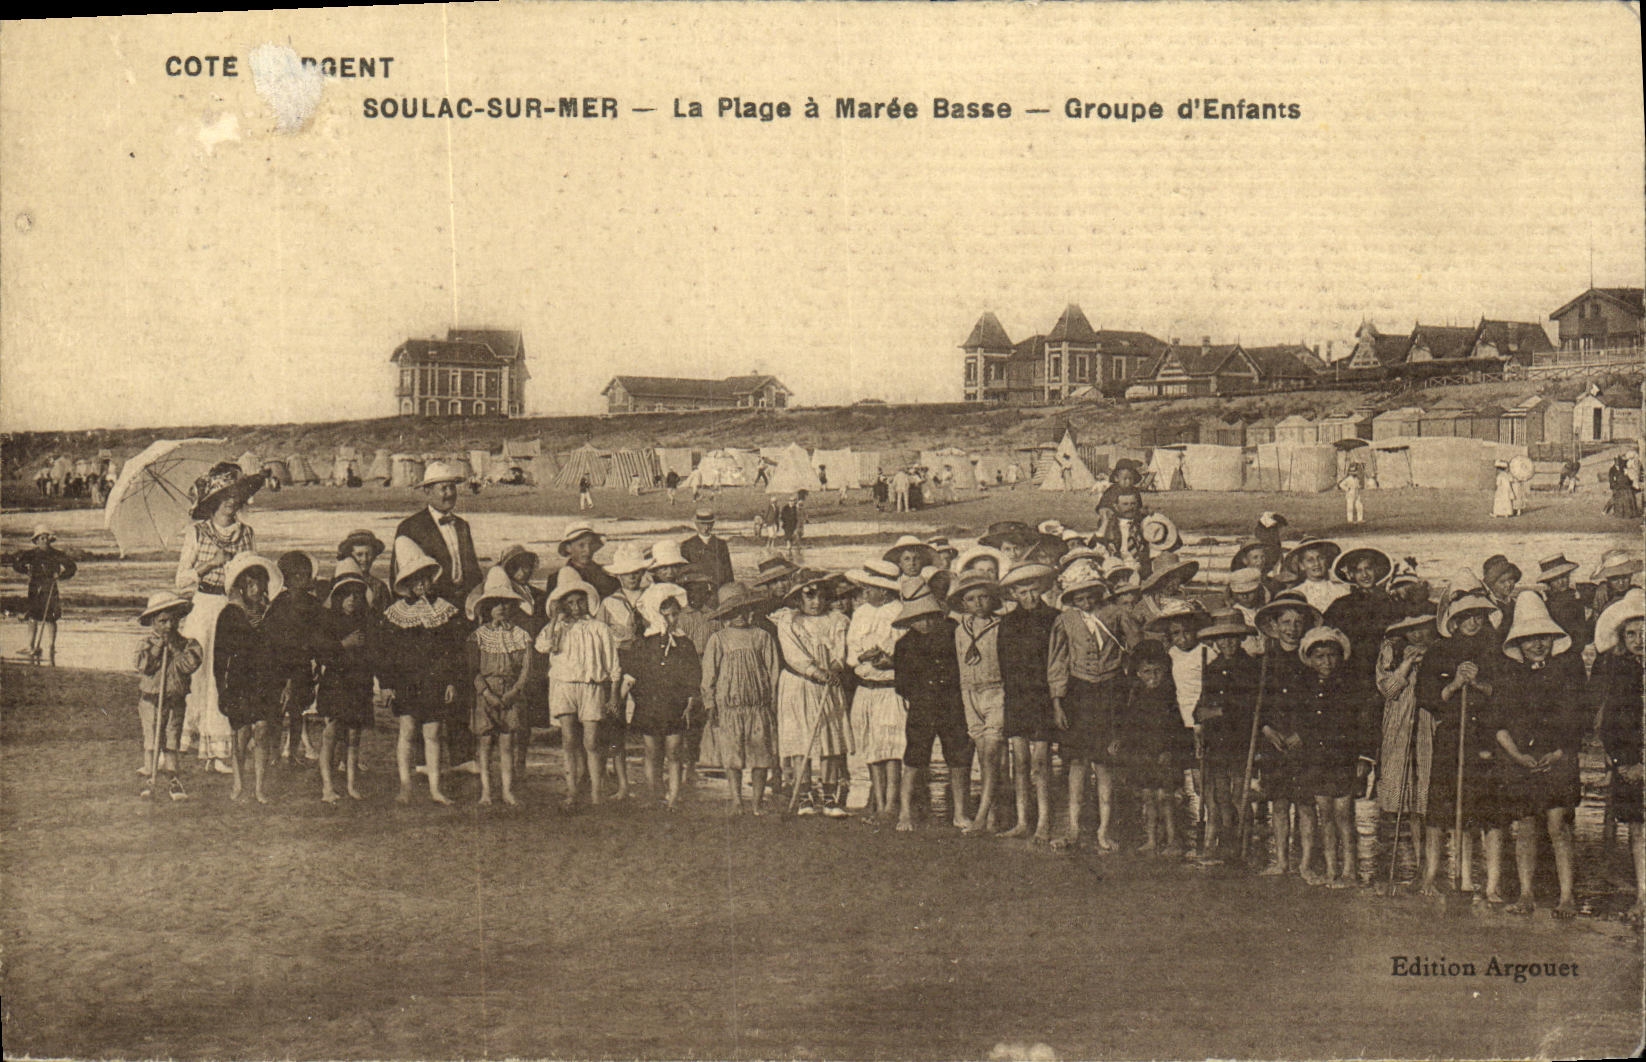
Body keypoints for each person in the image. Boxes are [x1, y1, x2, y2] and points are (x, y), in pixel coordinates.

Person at [1493, 591, 1587, 917]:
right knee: (1526, 826)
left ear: (1552, 638)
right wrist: (1517, 756)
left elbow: (1579, 722)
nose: (1537, 645)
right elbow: (1497, 725)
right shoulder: (1508, 676)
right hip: (1520, 762)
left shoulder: (1567, 672)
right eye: (1529, 639)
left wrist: (1559, 753)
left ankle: (1566, 897)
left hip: (1558, 761)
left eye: (1543, 638)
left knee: (1558, 825)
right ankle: (1526, 894)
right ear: (1518, 642)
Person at [176, 462, 264, 774]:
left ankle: (219, 750)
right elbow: (181, 580)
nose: (230, 499)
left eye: (235, 494)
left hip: (231, 608)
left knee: (225, 673)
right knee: (199, 672)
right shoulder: (197, 532)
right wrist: (208, 565)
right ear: (213, 499)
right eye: (224, 494)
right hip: (202, 606)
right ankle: (196, 740)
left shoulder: (247, 533)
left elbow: (254, 575)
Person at [1415, 592, 1502, 899]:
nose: (1473, 622)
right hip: (1450, 735)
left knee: (1482, 809)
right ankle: (1431, 875)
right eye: (1466, 617)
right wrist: (1453, 683)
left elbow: (1503, 694)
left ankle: (1481, 883)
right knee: (1440, 809)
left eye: (1479, 616)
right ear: (1454, 621)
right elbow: (1424, 696)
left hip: (1483, 737)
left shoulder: (1493, 649)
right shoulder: (1439, 651)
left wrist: (1477, 682)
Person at [1048, 557, 1128, 852]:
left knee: (1105, 762)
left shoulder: (1116, 614)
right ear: (1070, 598)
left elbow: (1136, 645)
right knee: (1077, 763)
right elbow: (1057, 663)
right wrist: (1057, 703)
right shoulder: (1065, 621)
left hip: (1110, 691)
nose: (1084, 601)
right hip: (1078, 694)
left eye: (1088, 595)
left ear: (1098, 593)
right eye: (1077, 597)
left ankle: (1104, 831)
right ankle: (1072, 828)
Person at [383, 538, 467, 806]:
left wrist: (452, 682)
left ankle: (435, 788)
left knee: (433, 733)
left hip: (436, 681)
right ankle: (405, 786)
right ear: (406, 583)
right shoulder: (395, 615)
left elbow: (454, 650)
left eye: (425, 579)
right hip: (406, 682)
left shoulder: (444, 611)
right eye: (415, 580)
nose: (421, 585)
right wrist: (388, 684)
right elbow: (387, 655)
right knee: (407, 730)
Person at [1289, 627, 1374, 887]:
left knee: (1343, 816)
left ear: (1340, 657)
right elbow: (1302, 721)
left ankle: (1349, 871)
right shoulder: (1305, 687)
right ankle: (1330, 869)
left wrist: (1363, 757)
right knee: (1324, 815)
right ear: (1310, 659)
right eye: (1319, 657)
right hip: (1316, 760)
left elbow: (1364, 724)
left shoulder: (1351, 687)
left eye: (1331, 656)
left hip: (1343, 759)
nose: (1326, 662)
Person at [1251, 591, 1321, 877]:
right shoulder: (1265, 660)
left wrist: (1302, 733)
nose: (1292, 628)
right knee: (1279, 802)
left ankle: (1305, 863)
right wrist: (1266, 730)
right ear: (1274, 625)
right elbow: (1257, 703)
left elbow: (1319, 703)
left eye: (1297, 622)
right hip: (1274, 741)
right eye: (1286, 622)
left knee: (1305, 804)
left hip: (1303, 742)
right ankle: (1280, 861)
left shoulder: (1312, 659)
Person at [772, 571, 852, 817]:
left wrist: (836, 666)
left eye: (820, 597)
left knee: (830, 737)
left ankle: (829, 796)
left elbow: (841, 649)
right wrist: (815, 671)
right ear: (798, 600)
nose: (815, 603)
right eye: (809, 598)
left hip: (829, 683)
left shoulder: (837, 620)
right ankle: (804, 794)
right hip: (799, 684)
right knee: (800, 738)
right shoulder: (789, 622)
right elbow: (793, 655)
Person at [537, 575, 620, 807]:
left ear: (587, 601)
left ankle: (596, 792)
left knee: (592, 741)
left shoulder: (599, 628)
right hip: (564, 686)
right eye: (570, 602)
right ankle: (572, 790)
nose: (575, 607)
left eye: (579, 601)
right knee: (568, 739)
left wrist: (613, 693)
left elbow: (612, 664)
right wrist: (555, 620)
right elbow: (543, 647)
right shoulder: (557, 628)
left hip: (591, 687)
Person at [699, 583, 781, 815]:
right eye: (737, 612)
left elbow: (773, 671)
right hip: (729, 707)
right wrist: (709, 703)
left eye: (747, 611)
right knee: (732, 755)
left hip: (758, 706)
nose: (744, 616)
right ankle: (736, 799)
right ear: (726, 615)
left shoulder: (762, 637)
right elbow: (709, 675)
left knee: (760, 755)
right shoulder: (719, 639)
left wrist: (773, 700)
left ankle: (756, 802)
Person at [892, 595, 973, 831]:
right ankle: (905, 813)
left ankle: (960, 812)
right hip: (922, 707)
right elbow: (901, 684)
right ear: (909, 620)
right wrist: (919, 693)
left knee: (958, 759)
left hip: (952, 706)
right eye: (918, 619)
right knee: (914, 759)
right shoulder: (904, 645)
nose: (925, 623)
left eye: (930, 617)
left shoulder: (952, 635)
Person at [1373, 611, 1439, 889]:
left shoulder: (1438, 655)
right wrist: (1406, 665)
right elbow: (1388, 690)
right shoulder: (1391, 654)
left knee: (1425, 803)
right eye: (1411, 630)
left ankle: (1429, 871)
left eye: (1423, 629)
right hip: (1399, 729)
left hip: (1428, 730)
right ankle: (1412, 866)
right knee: (1404, 801)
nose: (1418, 635)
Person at [622, 583, 702, 809]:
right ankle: (654, 794)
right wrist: (619, 698)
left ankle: (674, 797)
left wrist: (690, 699)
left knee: (674, 750)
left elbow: (693, 674)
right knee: (651, 751)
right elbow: (632, 674)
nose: (671, 620)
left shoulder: (684, 644)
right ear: (654, 615)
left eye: (675, 615)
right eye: (665, 615)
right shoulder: (645, 644)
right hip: (649, 703)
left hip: (674, 703)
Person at [213, 553, 284, 804]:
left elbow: (280, 652)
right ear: (242, 586)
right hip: (239, 683)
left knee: (263, 731)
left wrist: (282, 682)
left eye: (260, 583)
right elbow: (219, 659)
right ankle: (239, 783)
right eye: (251, 584)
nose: (256, 589)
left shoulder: (269, 614)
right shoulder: (230, 614)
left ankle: (259, 788)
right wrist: (222, 689)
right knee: (241, 734)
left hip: (266, 682)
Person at [1593, 589, 1644, 924]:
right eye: (1632, 634)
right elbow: (1611, 723)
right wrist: (1624, 763)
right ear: (1622, 638)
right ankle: (1643, 896)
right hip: (1632, 767)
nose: (1640, 640)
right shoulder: (1621, 673)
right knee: (1639, 831)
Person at [1193, 609, 1259, 861]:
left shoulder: (1251, 668)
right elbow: (1201, 705)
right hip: (1216, 741)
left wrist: (1217, 710)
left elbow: (1247, 706)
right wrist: (1200, 714)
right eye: (1222, 638)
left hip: (1241, 740)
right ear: (1215, 641)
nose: (1228, 643)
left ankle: (1244, 842)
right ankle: (1228, 838)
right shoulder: (1211, 668)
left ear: (1241, 638)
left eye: (1233, 637)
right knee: (1220, 793)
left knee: (1240, 794)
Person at [999, 564, 1059, 842]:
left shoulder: (1055, 619)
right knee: (1020, 761)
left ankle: (1044, 822)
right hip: (1017, 697)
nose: (1030, 597)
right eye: (1023, 592)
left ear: (1042, 589)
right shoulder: (1008, 622)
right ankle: (1023, 821)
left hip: (1044, 698)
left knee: (1041, 762)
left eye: (1034, 591)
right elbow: (1004, 664)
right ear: (1013, 594)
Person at [845, 562, 908, 824]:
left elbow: (905, 653)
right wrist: (863, 656)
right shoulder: (860, 613)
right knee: (869, 745)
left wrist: (889, 660)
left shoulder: (901, 613)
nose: (864, 592)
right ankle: (878, 801)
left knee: (892, 746)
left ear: (884, 591)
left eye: (869, 588)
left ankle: (891, 804)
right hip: (865, 688)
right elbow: (852, 654)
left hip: (889, 690)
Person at [467, 567, 534, 807]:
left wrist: (513, 692)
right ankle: (486, 791)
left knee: (507, 743)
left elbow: (526, 669)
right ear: (487, 607)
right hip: (485, 694)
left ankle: (507, 791)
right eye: (496, 604)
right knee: (484, 743)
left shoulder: (521, 635)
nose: (501, 608)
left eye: (506, 603)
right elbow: (473, 670)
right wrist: (486, 693)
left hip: (511, 693)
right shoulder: (478, 636)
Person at [315, 568, 383, 804]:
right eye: (347, 595)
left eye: (356, 595)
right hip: (335, 684)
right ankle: (327, 787)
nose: (352, 599)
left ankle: (352, 785)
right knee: (331, 734)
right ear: (338, 597)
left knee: (354, 736)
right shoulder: (328, 621)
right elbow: (323, 655)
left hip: (359, 684)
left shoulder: (367, 622)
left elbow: (375, 654)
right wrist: (344, 644)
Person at [1116, 639, 1187, 855]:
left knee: (1165, 797)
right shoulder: (1136, 697)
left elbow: (1176, 728)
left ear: (1165, 670)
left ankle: (1173, 840)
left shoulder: (1170, 697)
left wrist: (1169, 750)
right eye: (1147, 672)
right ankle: (1151, 839)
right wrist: (1124, 742)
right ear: (1138, 673)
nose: (1153, 677)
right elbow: (1130, 725)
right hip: (1144, 755)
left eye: (1157, 671)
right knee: (1148, 796)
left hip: (1164, 755)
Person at [949, 570, 1007, 834]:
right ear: (963, 603)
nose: (978, 603)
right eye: (971, 599)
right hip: (968, 692)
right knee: (983, 755)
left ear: (993, 599)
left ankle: (982, 816)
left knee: (992, 752)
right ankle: (992, 814)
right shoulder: (960, 628)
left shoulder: (1002, 626)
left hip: (995, 691)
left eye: (984, 597)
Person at [261, 551, 329, 767]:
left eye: (307, 575)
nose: (309, 579)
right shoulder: (279, 604)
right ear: (291, 578)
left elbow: (319, 636)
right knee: (277, 711)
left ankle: (291, 752)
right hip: (279, 665)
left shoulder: (312, 604)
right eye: (303, 575)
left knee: (297, 710)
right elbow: (271, 639)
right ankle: (275, 752)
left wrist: (318, 661)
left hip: (301, 664)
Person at [134, 591, 203, 800]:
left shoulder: (188, 644)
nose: (168, 626)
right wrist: (157, 650)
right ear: (153, 622)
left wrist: (173, 648)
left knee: (172, 740)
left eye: (173, 621)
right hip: (150, 700)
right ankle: (151, 778)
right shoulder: (146, 644)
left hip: (175, 700)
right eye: (163, 621)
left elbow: (188, 665)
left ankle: (173, 780)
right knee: (152, 740)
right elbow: (143, 666)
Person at [390, 461, 482, 609]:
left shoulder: (462, 525)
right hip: (430, 610)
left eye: (452, 487)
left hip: (463, 608)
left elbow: (474, 572)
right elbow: (397, 578)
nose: (450, 494)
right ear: (427, 491)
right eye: (444, 489)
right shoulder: (410, 527)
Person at [13, 526, 76, 665]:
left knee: (51, 618)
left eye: (47, 538)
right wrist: (25, 570)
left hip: (50, 587)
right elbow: (16, 563)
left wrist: (60, 575)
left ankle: (51, 647)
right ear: (36, 541)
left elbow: (72, 567)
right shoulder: (30, 554)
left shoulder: (56, 554)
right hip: (35, 587)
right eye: (42, 538)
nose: (45, 540)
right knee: (32, 617)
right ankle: (31, 646)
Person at [1534, 554, 1589, 647]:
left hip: (1576, 654)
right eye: (1555, 579)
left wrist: (1602, 585)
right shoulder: (1544, 603)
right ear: (1548, 582)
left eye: (1563, 576)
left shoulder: (1576, 596)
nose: (1561, 582)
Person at [1283, 538, 1348, 616]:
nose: (1316, 563)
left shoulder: (1341, 591)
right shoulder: (1296, 594)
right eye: (1310, 560)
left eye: (1320, 558)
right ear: (1301, 565)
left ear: (1326, 561)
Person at [557, 523, 619, 599]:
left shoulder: (606, 574)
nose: (587, 550)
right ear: (568, 548)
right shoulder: (557, 578)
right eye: (581, 545)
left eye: (591, 544)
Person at [335, 529, 391, 612]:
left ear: (374, 556)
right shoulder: (338, 584)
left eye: (368, 554)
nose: (364, 559)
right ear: (349, 555)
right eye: (359, 555)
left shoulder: (380, 587)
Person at [680, 508, 735, 589]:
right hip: (696, 590)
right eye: (702, 524)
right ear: (696, 524)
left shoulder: (721, 544)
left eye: (709, 524)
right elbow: (683, 573)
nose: (706, 527)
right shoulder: (687, 545)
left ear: (713, 524)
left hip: (719, 589)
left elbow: (728, 572)